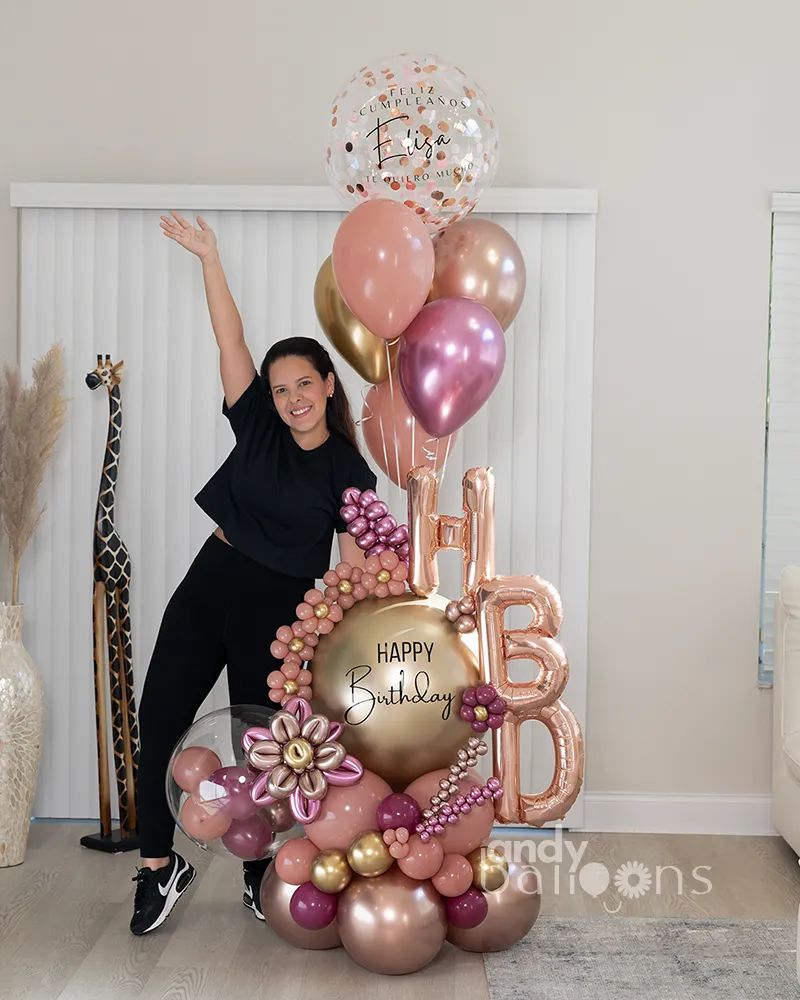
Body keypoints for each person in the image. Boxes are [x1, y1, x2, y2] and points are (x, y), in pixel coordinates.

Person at [129, 210, 377, 936]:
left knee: (256, 745)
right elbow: (230, 339)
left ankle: (254, 870)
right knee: (160, 719)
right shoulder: (259, 428)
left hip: (279, 611)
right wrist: (209, 257)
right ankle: (156, 864)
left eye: (304, 384)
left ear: (329, 385)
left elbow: (352, 577)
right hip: (212, 582)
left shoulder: (348, 469)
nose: (292, 398)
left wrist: (337, 651)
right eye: (280, 389)